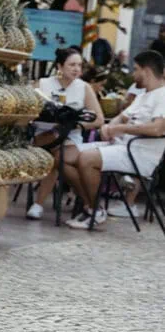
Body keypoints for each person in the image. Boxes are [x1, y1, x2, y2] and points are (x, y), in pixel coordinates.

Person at [61, 50, 165, 230]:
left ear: (146, 71)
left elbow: (157, 129)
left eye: (136, 69)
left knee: (86, 159)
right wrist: (108, 127)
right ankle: (91, 205)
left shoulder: (162, 96)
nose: (133, 74)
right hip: (120, 146)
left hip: (139, 154)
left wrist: (119, 129)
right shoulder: (143, 96)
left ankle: (94, 210)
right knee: (63, 156)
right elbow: (121, 117)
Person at [26, 48, 102, 220]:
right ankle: (90, 203)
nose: (76, 69)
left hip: (70, 137)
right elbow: (26, 110)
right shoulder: (43, 84)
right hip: (42, 135)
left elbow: (99, 120)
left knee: (58, 159)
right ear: (60, 66)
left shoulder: (84, 87)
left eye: (79, 65)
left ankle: (39, 204)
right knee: (57, 158)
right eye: (72, 65)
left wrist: (76, 125)